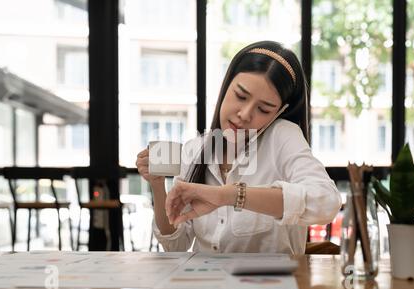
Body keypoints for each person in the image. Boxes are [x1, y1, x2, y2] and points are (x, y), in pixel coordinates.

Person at [136, 40, 342, 254]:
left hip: (269, 285)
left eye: (263, 109)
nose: (245, 114)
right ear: (226, 86)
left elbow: (326, 201)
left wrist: (229, 195)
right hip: (208, 284)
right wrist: (158, 186)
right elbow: (176, 245)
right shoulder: (195, 149)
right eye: (240, 96)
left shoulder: (282, 136)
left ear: (279, 112)